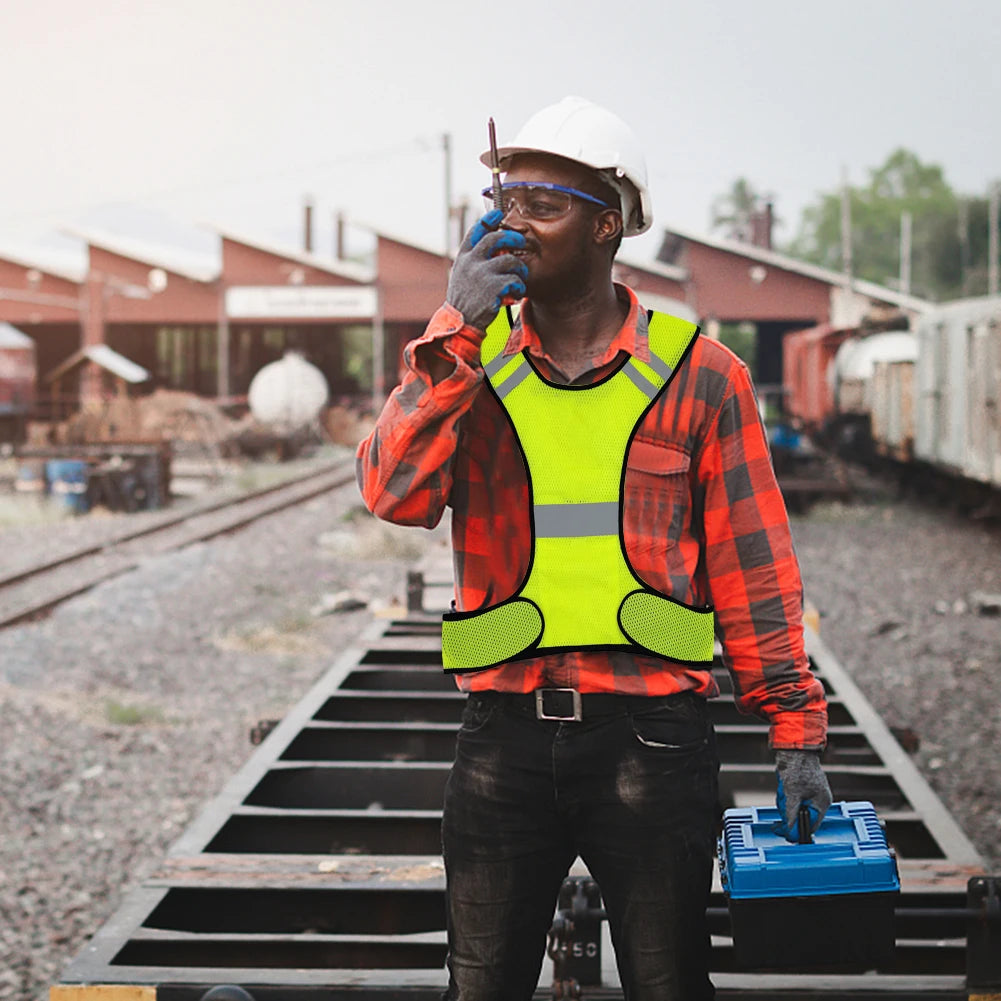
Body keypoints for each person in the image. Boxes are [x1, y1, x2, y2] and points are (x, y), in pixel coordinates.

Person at [356, 96, 832, 1001]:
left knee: (667, 985)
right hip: (501, 742)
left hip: (653, 744)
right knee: (481, 986)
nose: (511, 223)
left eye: (540, 202)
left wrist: (795, 731)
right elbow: (392, 491)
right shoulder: (469, 359)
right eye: (502, 199)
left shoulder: (702, 375)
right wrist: (450, 330)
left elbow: (754, 565)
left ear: (606, 224)